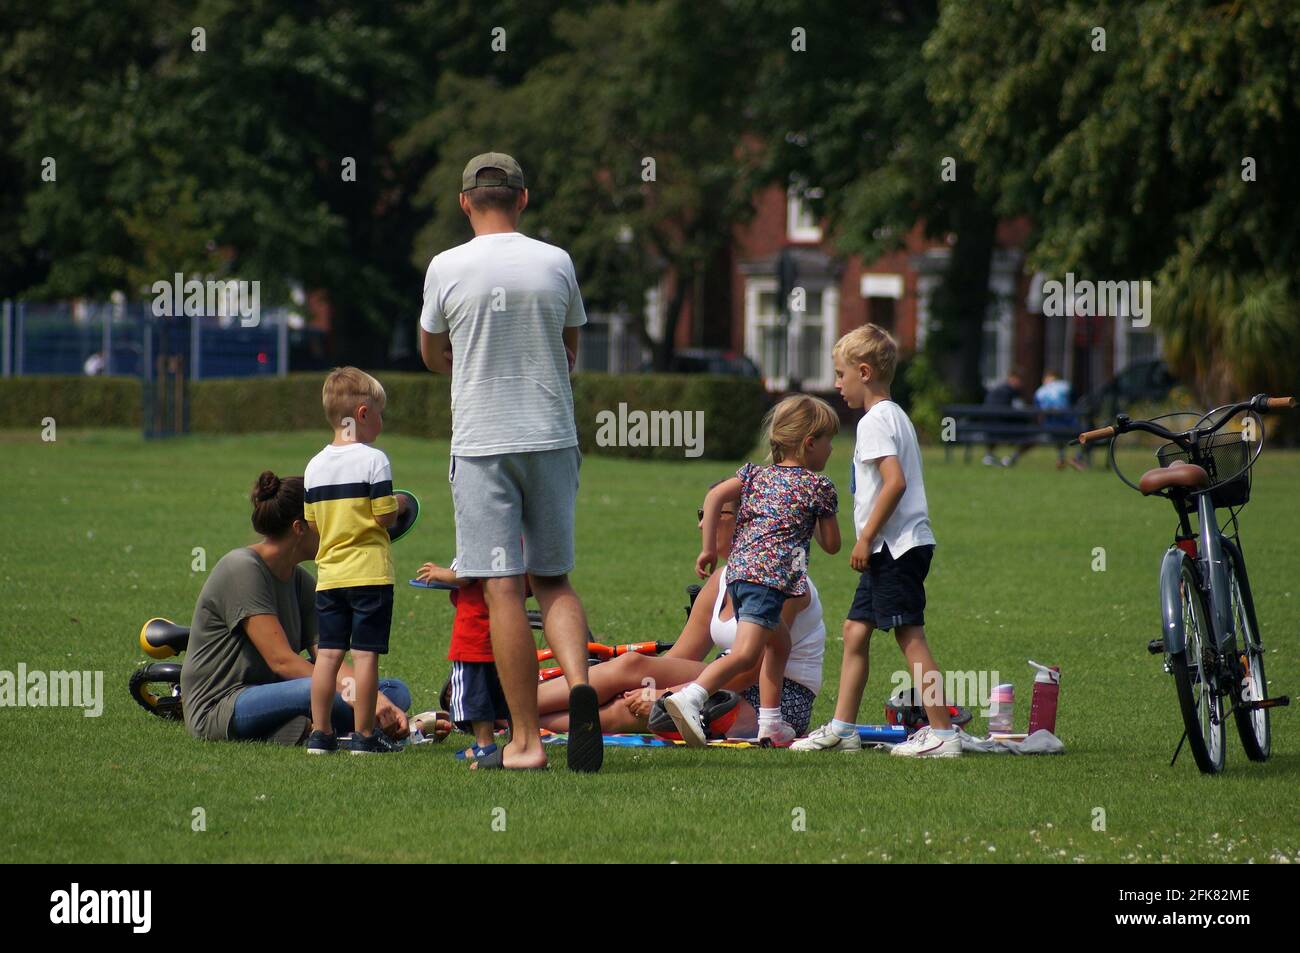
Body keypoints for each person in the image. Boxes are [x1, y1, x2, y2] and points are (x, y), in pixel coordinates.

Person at [418, 152, 599, 772]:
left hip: (483, 442)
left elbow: (432, 351)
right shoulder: (557, 262)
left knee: (500, 590)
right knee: (553, 578)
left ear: (465, 202)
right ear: (523, 199)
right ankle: (579, 684)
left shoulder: (445, 266)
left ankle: (525, 742)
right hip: (550, 434)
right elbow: (571, 351)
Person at [535, 485, 827, 737]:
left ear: (746, 522)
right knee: (631, 666)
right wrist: (652, 686)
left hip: (774, 700)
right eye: (702, 514)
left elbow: (749, 671)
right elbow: (682, 656)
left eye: (713, 516)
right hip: (719, 683)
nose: (703, 525)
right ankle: (514, 708)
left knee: (629, 712)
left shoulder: (783, 583)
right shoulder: (722, 579)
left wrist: (666, 696)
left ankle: (516, 714)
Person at [794, 323, 961, 757]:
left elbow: (895, 483)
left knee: (910, 635)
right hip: (892, 547)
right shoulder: (894, 416)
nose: (836, 384)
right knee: (854, 631)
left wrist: (864, 538)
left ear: (864, 372)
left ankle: (942, 734)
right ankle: (843, 727)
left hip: (895, 547)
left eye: (840, 374)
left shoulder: (874, 422)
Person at [180, 470, 411, 746]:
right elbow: (281, 660)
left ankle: (298, 728)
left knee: (393, 691)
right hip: (222, 705)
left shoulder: (300, 580)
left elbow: (329, 659)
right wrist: (361, 698)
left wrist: (372, 697)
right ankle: (324, 724)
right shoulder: (241, 569)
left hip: (273, 691)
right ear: (299, 527)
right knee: (316, 691)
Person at [662, 396, 840, 747]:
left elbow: (714, 499)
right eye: (828, 441)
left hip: (739, 574)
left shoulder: (754, 475)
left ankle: (769, 724)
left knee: (779, 643)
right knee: (745, 653)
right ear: (809, 443)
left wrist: (708, 549)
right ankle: (691, 698)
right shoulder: (818, 487)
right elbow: (832, 545)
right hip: (770, 580)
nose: (832, 449)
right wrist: (817, 514)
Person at [303, 367, 401, 755]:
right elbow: (384, 516)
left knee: (327, 655)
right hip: (370, 574)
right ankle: (363, 735)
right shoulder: (374, 461)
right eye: (379, 413)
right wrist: (399, 506)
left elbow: (313, 524)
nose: (382, 421)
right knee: (364, 656)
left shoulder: (313, 466)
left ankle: (320, 733)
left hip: (329, 577)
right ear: (362, 414)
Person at [416, 558, 513, 762]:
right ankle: (516, 740)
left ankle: (484, 745)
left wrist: (439, 573)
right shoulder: (512, 538)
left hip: (472, 636)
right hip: (501, 631)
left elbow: (466, 573)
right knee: (499, 691)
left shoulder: (478, 531)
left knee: (473, 694)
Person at [1035, 370, 1085, 470]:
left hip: (1051, 426)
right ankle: (1077, 458)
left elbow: (1039, 411)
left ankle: (1061, 459)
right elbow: (1075, 403)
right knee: (1083, 435)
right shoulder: (1065, 386)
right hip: (1069, 423)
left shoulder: (1039, 392)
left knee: (1059, 439)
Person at [982, 368, 1029, 466]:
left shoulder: (1000, 389)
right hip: (1000, 426)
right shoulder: (1007, 392)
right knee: (1032, 437)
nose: (1021, 384)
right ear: (1013, 378)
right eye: (1020, 380)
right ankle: (1010, 458)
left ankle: (990, 456)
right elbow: (1011, 411)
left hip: (992, 425)